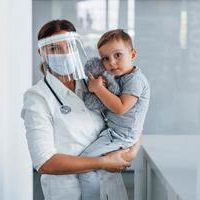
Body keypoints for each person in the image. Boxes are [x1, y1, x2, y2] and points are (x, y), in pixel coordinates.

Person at [21, 19, 141, 200]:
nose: (64, 54)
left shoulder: (96, 84)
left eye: (69, 47)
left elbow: (132, 118)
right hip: (70, 192)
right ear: (42, 53)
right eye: (54, 49)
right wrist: (103, 162)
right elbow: (45, 162)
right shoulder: (37, 97)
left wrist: (129, 154)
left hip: (111, 188)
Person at [78, 29, 150, 200]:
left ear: (132, 54)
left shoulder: (135, 80)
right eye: (105, 58)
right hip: (116, 133)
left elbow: (120, 108)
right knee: (107, 173)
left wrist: (98, 88)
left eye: (118, 55)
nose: (112, 63)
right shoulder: (120, 77)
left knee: (85, 164)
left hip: (121, 136)